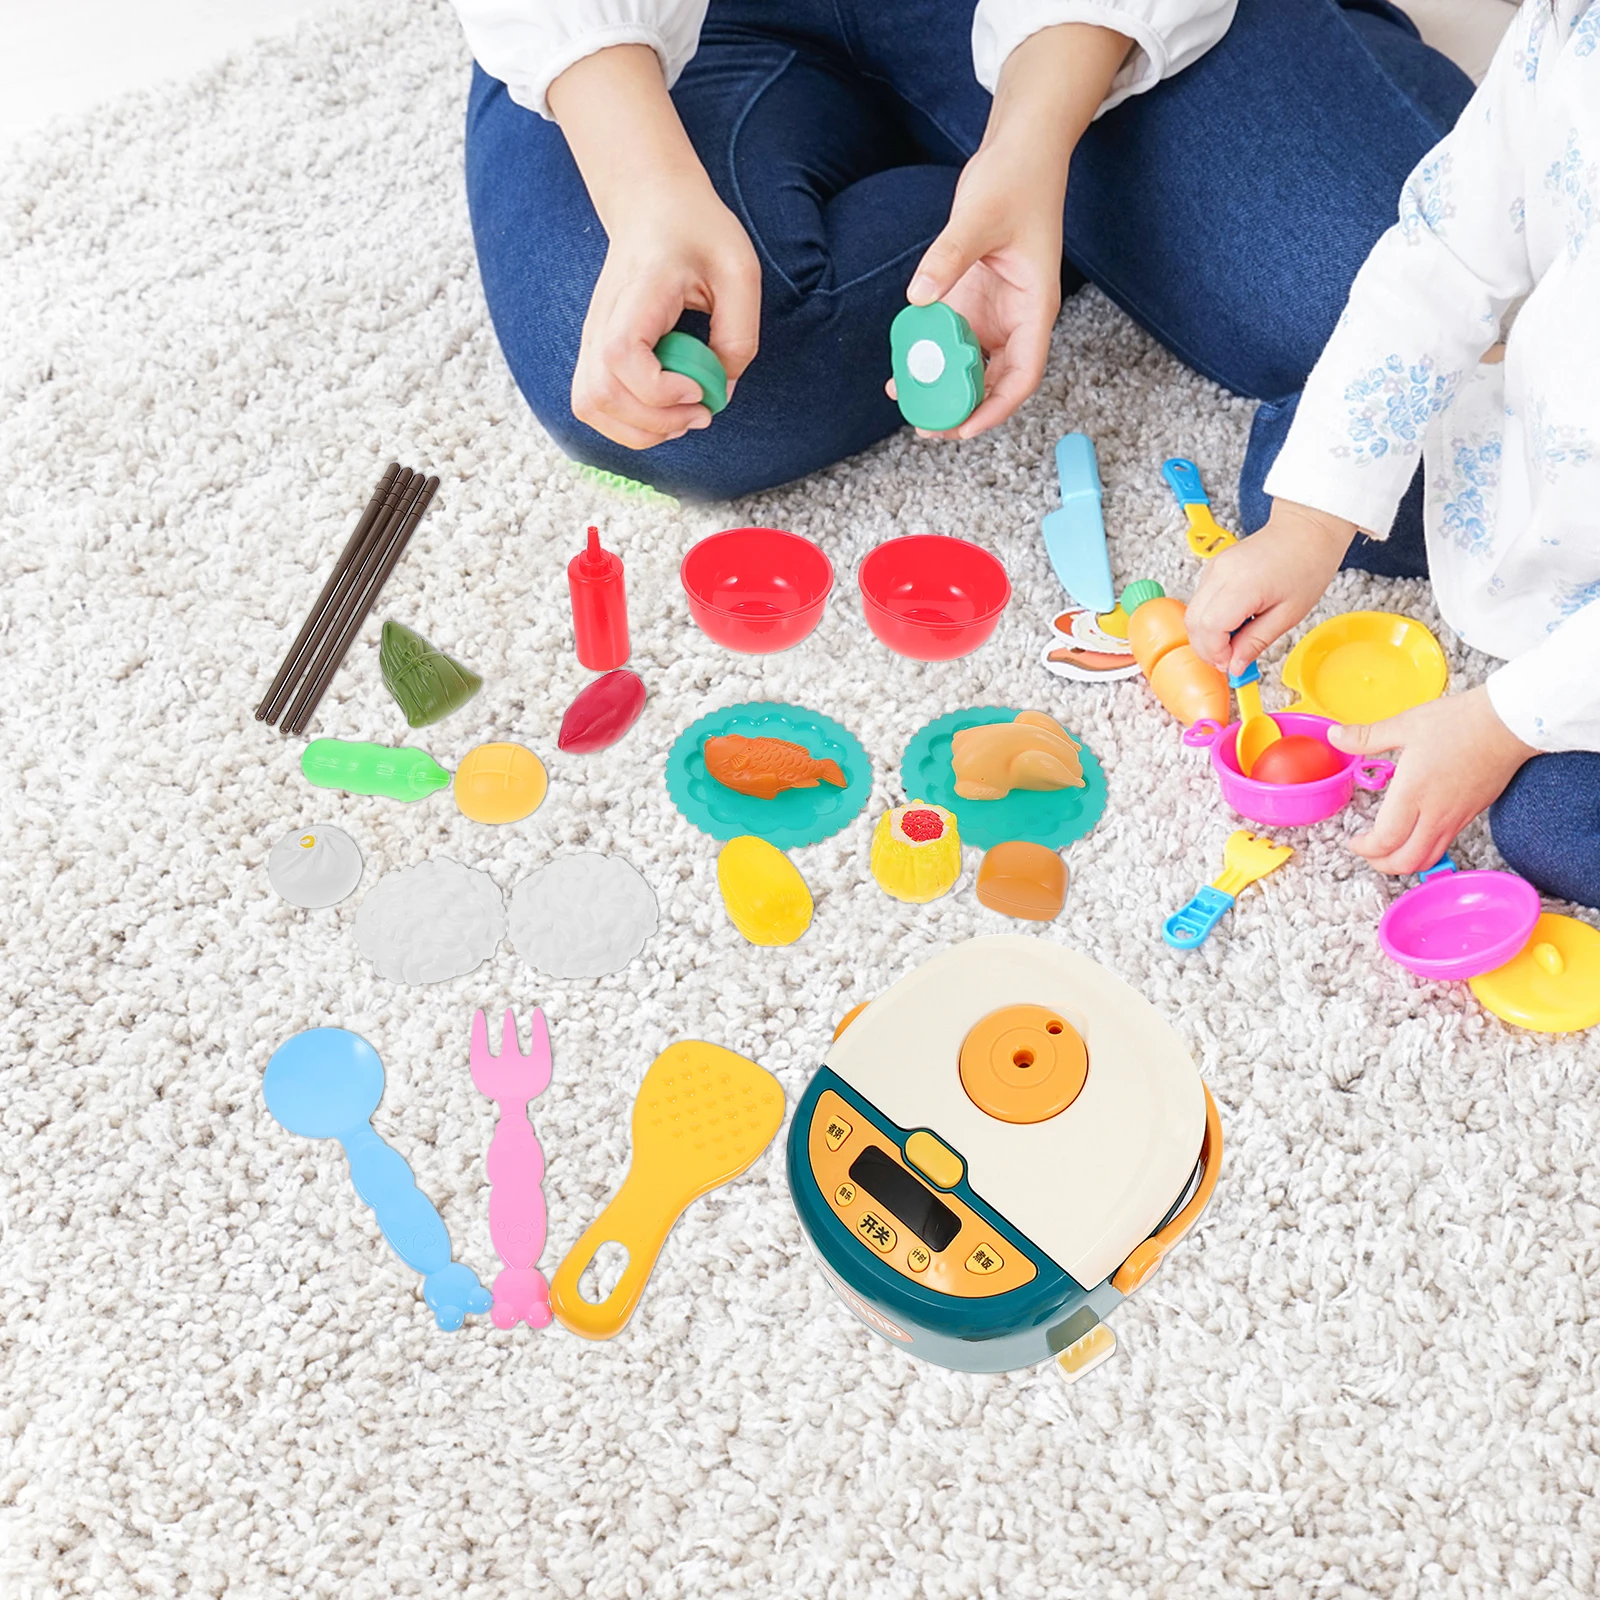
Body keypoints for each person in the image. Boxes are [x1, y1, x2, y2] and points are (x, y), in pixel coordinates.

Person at [451, 0, 1473, 503]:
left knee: (1416, 317)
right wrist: (649, 190)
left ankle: (1046, 172)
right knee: (674, 377)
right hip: (693, 25)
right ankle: (1077, 203)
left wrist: (1034, 132)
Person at [1186, 0, 1600, 909]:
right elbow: (1444, 258)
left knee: (1549, 822)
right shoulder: (1570, 32)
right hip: (1559, 472)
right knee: (1284, 485)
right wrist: (1311, 521)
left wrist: (1499, 724)